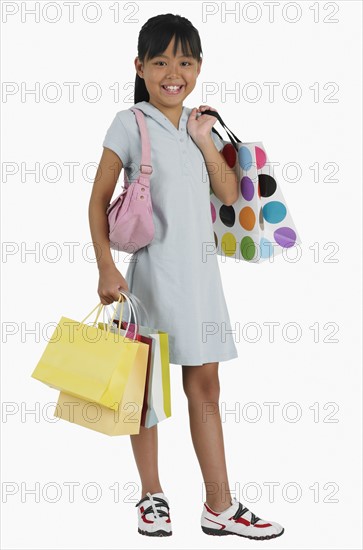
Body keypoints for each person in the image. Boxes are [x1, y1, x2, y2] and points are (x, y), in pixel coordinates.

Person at [88, 13, 284, 540]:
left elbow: (225, 194)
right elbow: (97, 200)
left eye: (185, 61)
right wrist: (107, 267)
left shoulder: (203, 124)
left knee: (207, 389)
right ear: (140, 67)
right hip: (149, 280)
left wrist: (203, 139)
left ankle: (219, 504)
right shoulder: (128, 123)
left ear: (198, 67)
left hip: (201, 284)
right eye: (160, 61)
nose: (173, 71)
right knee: (144, 392)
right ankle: (152, 496)